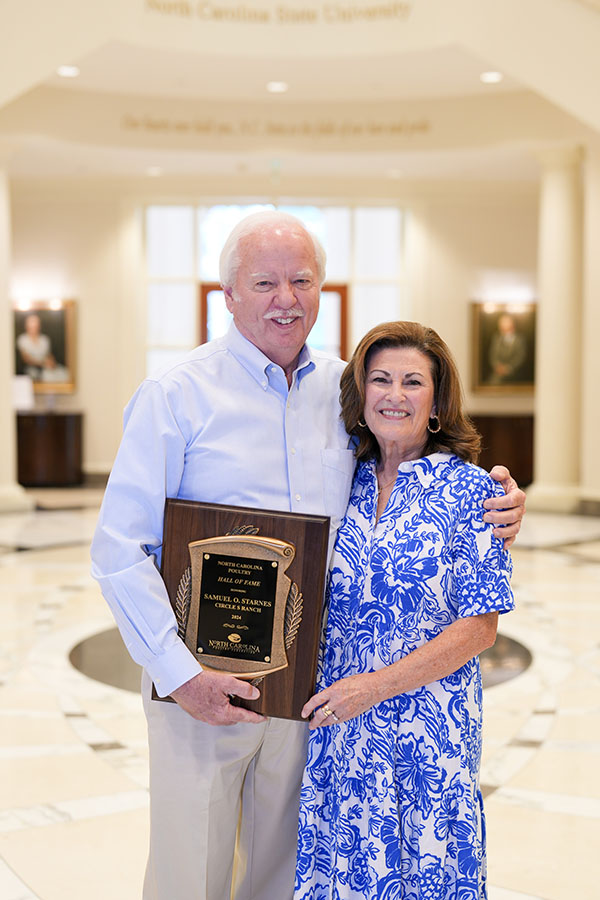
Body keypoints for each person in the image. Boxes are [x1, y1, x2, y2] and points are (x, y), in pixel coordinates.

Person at [90, 212, 524, 900]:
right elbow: (118, 550)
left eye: (301, 280)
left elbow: (411, 460)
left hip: (302, 691)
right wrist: (180, 676)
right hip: (202, 688)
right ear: (228, 293)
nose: (284, 298)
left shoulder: (343, 391)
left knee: (283, 873)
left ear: (322, 288)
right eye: (263, 281)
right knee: (188, 876)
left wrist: (500, 496)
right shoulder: (176, 396)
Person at [295, 321, 514, 900]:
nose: (395, 395)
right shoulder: (340, 481)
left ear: (437, 402)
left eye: (413, 382)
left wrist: (374, 687)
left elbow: (480, 628)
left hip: (428, 734)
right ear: (360, 394)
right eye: (381, 379)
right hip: (340, 729)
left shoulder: (476, 492)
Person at [487, 312, 527, 385]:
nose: (501, 325)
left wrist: (509, 368)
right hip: (498, 373)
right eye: (501, 323)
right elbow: (493, 355)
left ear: (512, 324)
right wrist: (498, 366)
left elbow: (520, 357)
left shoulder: (519, 340)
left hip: (515, 373)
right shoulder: (496, 339)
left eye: (504, 323)